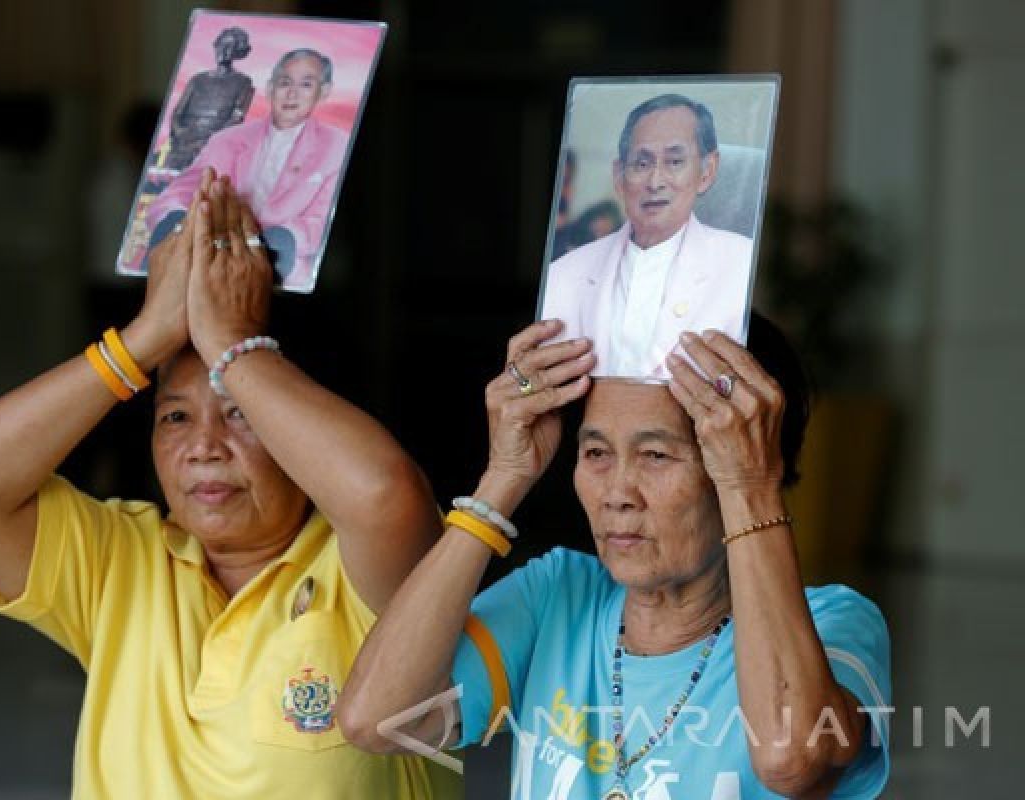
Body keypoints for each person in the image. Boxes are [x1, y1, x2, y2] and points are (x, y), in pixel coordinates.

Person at [0, 170, 462, 799]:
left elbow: (383, 494)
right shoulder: (121, 563)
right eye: (175, 417)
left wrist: (233, 344)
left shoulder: (361, 571)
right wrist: (144, 340)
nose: (204, 447)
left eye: (241, 414)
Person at [339, 316, 891, 799]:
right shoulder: (558, 596)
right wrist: (502, 479)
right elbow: (375, 720)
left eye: (655, 454)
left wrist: (749, 485)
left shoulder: (832, 625)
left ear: (741, 459)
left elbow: (790, 761)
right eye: (597, 452)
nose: (617, 492)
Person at [540, 94, 755, 380]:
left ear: (707, 171)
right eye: (641, 164)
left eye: (675, 162)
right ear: (619, 175)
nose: (655, 182)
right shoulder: (563, 274)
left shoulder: (743, 263)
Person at [147, 48, 348, 290]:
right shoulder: (227, 139)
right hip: (210, 269)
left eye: (306, 84)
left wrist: (285, 239)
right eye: (284, 82)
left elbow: (320, 218)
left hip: (284, 277)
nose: (291, 93)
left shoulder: (336, 146)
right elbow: (180, 192)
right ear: (270, 87)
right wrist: (174, 217)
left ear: (323, 92)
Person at [165, 26, 256, 171]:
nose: (224, 51)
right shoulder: (197, 80)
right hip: (184, 143)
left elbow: (236, 118)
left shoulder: (243, 82)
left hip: (211, 145)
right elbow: (178, 112)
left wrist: (209, 139)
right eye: (222, 45)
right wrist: (181, 132)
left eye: (230, 47)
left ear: (238, 51)